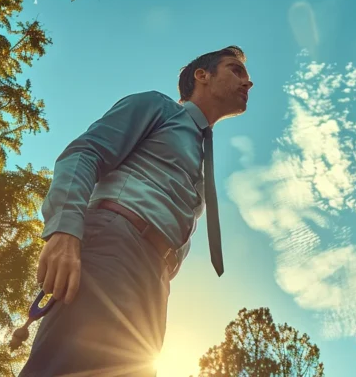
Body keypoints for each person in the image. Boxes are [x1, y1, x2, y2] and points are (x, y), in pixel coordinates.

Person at [19, 46, 252, 376]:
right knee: (68, 364)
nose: (248, 82)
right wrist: (65, 230)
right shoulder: (158, 107)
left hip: (154, 282)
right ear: (203, 76)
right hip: (113, 245)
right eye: (236, 70)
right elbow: (84, 154)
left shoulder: (202, 155)